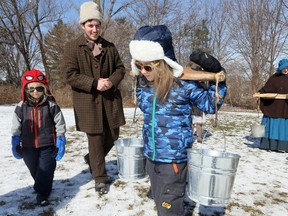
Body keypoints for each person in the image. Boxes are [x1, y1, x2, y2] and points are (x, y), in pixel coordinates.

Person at [129, 25, 227, 216]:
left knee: (169, 210)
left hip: (173, 160)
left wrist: (220, 79)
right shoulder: (143, 85)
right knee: (160, 205)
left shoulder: (184, 85)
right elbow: (145, 107)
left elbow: (210, 104)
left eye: (147, 66)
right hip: (151, 156)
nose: (142, 71)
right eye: (138, 66)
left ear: (162, 63)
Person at [62, 1, 126, 194]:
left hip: (109, 101)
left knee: (114, 135)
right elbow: (69, 75)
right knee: (96, 138)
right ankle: (100, 177)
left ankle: (92, 159)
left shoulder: (110, 46)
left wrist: (111, 81)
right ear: (83, 26)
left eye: (97, 25)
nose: (94, 29)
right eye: (90, 25)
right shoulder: (73, 47)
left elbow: (120, 68)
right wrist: (94, 83)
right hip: (88, 103)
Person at [11, 69, 66, 206]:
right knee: (34, 168)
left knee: (46, 167)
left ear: (45, 88)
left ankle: (42, 193)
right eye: (31, 89)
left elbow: (59, 123)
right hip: (28, 146)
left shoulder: (51, 105)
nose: (35, 91)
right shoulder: (21, 106)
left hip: (47, 144)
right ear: (26, 90)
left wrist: (60, 140)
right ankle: (42, 185)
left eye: (39, 88)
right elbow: (16, 125)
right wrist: (15, 140)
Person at [258, 58, 288, 152]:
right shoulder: (274, 78)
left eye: (287, 67)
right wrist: (259, 93)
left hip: (285, 108)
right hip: (273, 107)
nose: (286, 70)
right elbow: (267, 88)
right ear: (280, 68)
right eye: (284, 68)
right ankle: (269, 145)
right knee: (271, 126)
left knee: (283, 128)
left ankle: (282, 147)